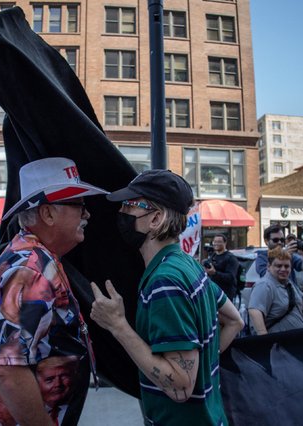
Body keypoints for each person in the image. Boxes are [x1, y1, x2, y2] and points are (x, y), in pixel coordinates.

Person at [89, 170, 244, 426]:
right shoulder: (187, 264)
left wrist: (118, 325)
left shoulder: (165, 282)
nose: (122, 212)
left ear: (156, 219)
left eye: (131, 204)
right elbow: (234, 320)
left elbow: (181, 388)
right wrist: (203, 361)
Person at [0, 157, 108, 426]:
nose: (87, 215)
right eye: (79, 205)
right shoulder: (31, 270)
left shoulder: (38, 259)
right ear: (48, 213)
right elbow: (8, 371)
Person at [248, 247, 303, 335]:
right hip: (277, 344)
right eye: (278, 266)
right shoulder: (264, 285)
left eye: (286, 266)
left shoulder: (289, 283)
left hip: (295, 342)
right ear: (269, 266)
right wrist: (264, 340)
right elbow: (255, 311)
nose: (283, 269)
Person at [204, 234, 240, 300]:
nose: (216, 244)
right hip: (213, 294)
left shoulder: (231, 258)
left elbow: (231, 277)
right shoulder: (213, 256)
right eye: (215, 241)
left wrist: (215, 273)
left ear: (225, 243)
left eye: (219, 242)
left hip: (225, 296)